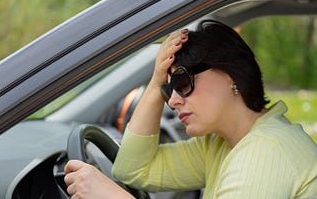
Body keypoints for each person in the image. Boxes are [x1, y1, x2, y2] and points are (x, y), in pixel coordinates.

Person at [64, 20, 317, 198]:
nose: (172, 101)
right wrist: (155, 84)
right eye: (168, 88)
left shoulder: (265, 151)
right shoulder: (220, 144)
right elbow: (133, 170)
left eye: (182, 82)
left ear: (231, 75)